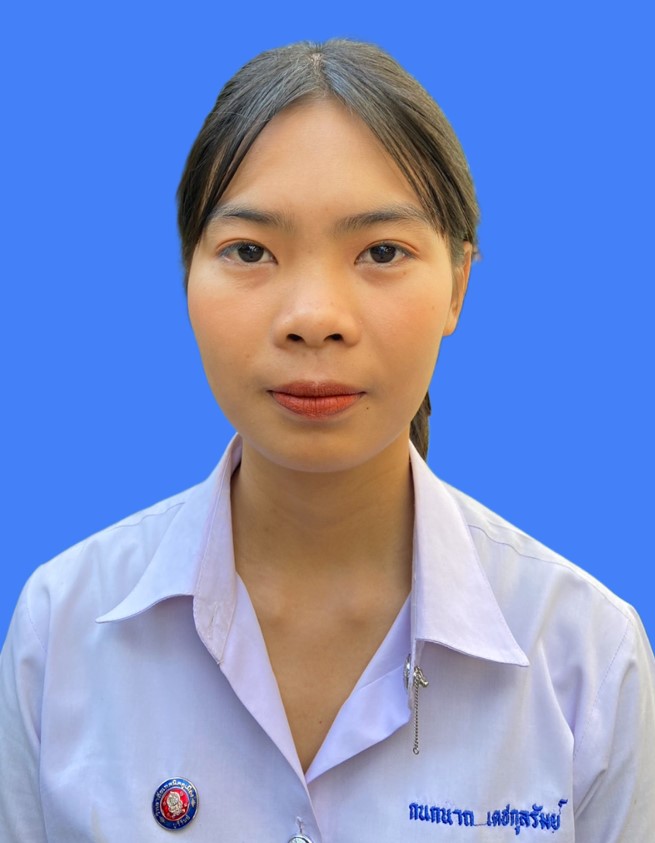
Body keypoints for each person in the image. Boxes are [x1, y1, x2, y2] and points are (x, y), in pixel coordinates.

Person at [1, 39, 653, 842]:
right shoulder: (62, 629)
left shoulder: (584, 654)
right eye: (250, 251)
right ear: (186, 274)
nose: (313, 316)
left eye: (381, 252)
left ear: (458, 283)